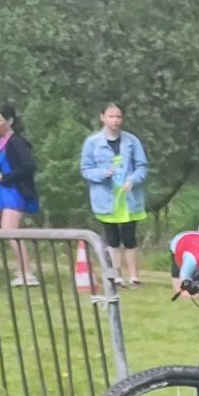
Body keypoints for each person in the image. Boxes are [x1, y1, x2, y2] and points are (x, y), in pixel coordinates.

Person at [80, 105, 150, 286]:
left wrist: (132, 180)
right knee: (112, 238)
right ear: (102, 117)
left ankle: (134, 276)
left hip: (129, 198)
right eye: (111, 116)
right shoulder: (92, 142)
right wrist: (103, 173)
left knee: (130, 237)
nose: (115, 120)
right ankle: (116, 275)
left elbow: (142, 166)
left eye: (118, 117)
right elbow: (86, 169)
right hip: (106, 198)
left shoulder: (132, 141)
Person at [0, 106, 41, 284]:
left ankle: (28, 273)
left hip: (15, 190)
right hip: (3, 190)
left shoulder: (17, 142)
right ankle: (22, 271)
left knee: (10, 230)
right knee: (9, 231)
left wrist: (7, 177)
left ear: (9, 121)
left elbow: (29, 166)